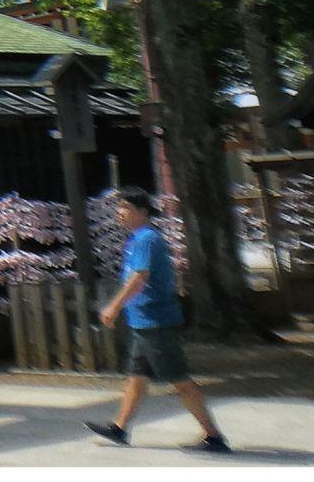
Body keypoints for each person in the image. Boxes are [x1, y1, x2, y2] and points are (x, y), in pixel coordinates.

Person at [87, 188, 230, 453]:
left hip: (156, 322)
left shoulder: (146, 239)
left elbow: (139, 278)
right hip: (143, 322)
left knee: (180, 380)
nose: (120, 212)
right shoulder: (136, 240)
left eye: (126, 207)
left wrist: (114, 307)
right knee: (136, 377)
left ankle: (214, 437)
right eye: (119, 207)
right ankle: (119, 428)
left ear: (142, 212)